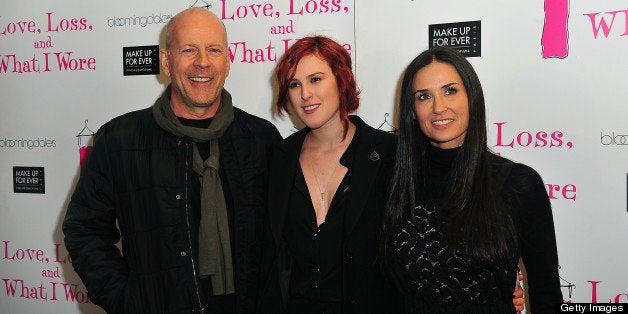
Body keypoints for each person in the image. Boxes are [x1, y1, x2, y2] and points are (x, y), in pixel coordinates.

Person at [62, 8, 281, 314]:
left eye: (213, 50)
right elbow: (84, 229)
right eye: (188, 49)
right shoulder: (119, 140)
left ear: (228, 61)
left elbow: (285, 238)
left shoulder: (261, 139)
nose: (202, 61)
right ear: (166, 61)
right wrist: (129, 301)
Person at [382, 45, 563, 313]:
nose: (438, 107)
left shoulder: (519, 184)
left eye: (450, 91)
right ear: (411, 110)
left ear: (472, 98)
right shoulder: (393, 181)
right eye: (423, 97)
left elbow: (547, 294)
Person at [256, 36, 399, 314]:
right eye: (295, 84)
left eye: (316, 79)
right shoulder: (279, 158)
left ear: (341, 80)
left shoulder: (388, 154)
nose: (305, 94)